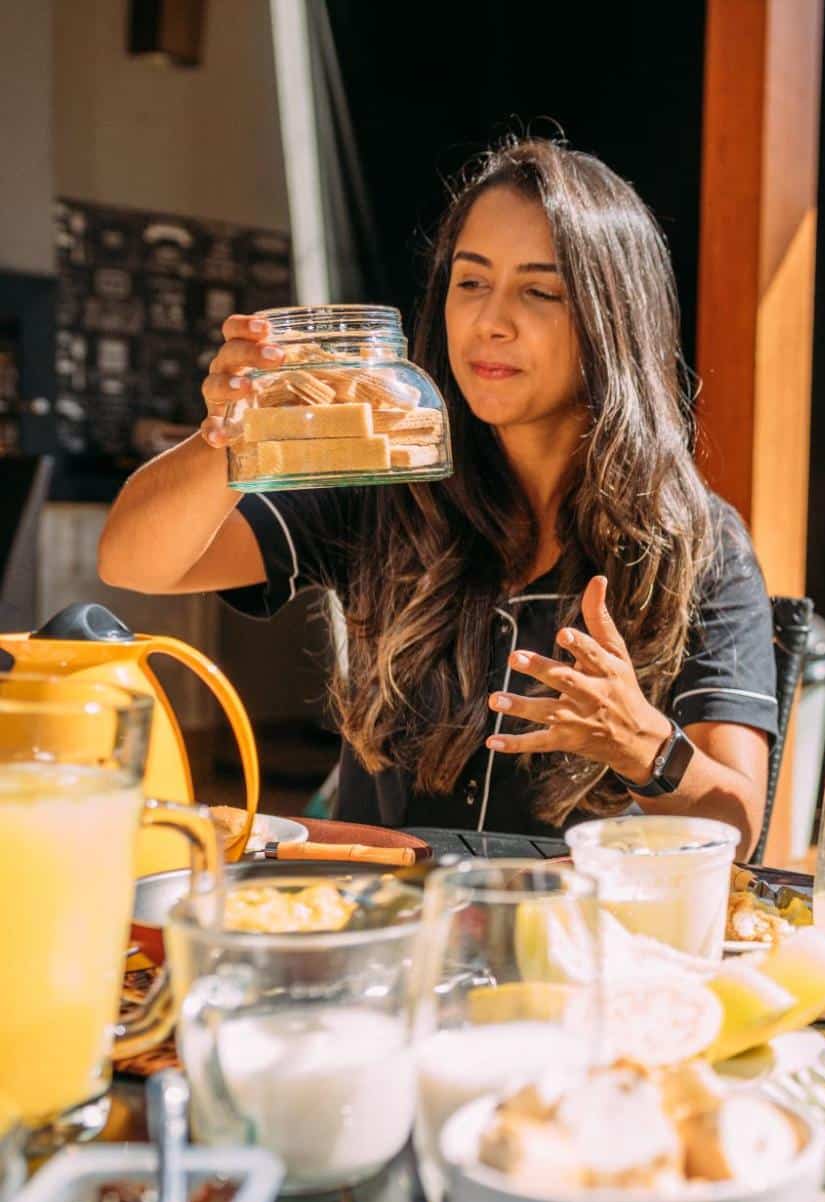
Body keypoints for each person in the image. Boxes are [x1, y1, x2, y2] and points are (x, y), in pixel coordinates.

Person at [98, 139, 776, 849]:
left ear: (615, 320)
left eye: (540, 292)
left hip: (568, 943)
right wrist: (228, 433)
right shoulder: (385, 479)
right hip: (380, 925)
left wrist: (645, 746)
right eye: (470, 282)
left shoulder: (698, 543)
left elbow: (736, 823)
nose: (491, 321)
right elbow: (135, 562)